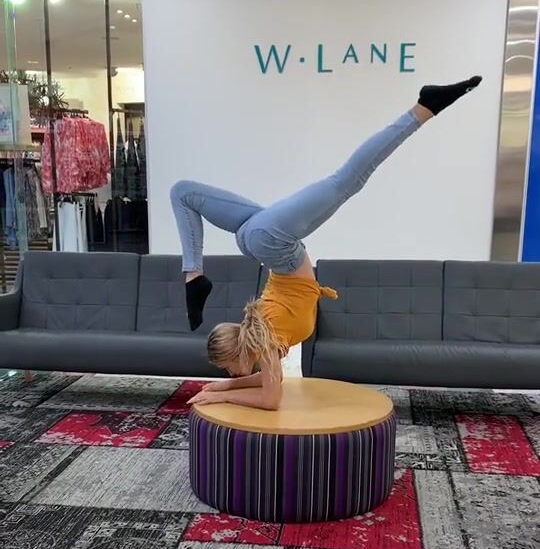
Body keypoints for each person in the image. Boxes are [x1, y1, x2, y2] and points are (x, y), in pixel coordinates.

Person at [170, 76, 482, 411]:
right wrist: (223, 387)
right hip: (255, 239)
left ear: (237, 354)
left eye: (227, 368)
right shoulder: (264, 337)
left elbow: (270, 399)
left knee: (347, 180)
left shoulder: (267, 338)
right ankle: (193, 276)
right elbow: (271, 385)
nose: (229, 372)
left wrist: (224, 392)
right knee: (183, 192)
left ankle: (424, 108)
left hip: (272, 243)